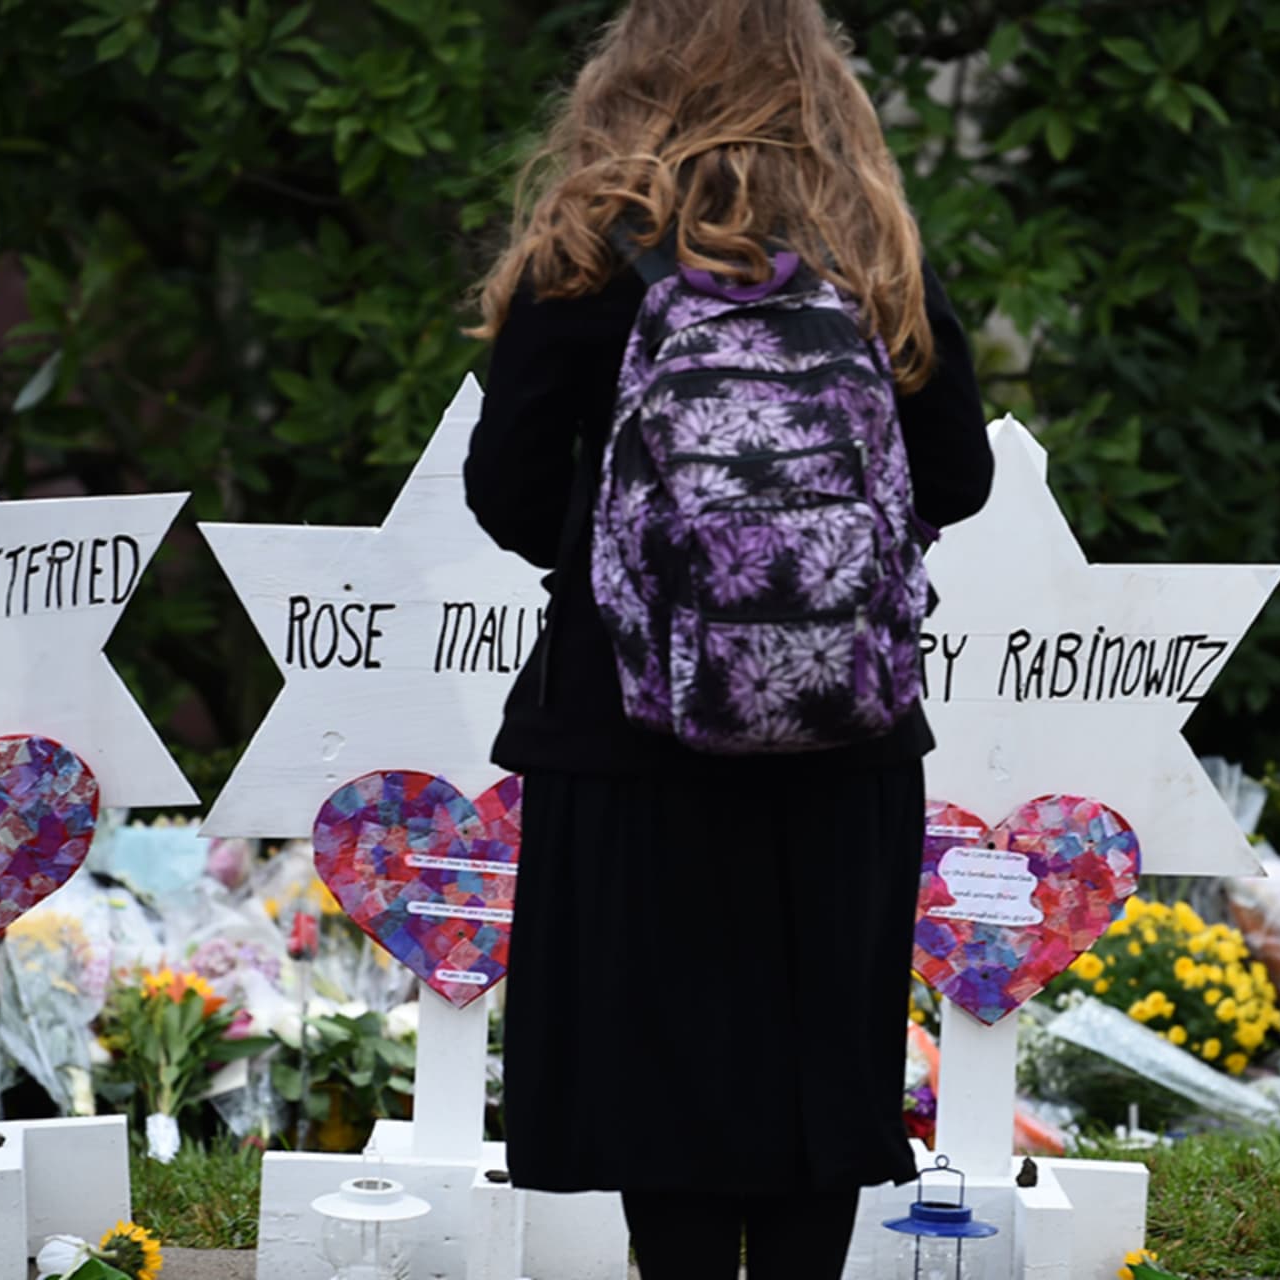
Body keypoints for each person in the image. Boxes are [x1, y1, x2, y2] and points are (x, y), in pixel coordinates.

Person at [462, 2, 993, 1276]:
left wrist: (660, 560)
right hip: (843, 734)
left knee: (666, 1102)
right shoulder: (869, 256)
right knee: (818, 1091)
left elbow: (507, 493)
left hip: (627, 736)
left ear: (628, 76)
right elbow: (959, 475)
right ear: (821, 85)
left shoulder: (589, 256)